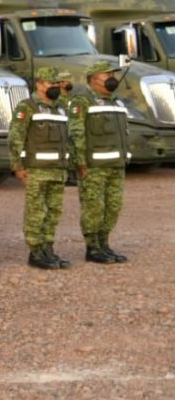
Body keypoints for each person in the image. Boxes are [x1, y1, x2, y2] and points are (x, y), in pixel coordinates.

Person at [9, 66, 72, 270]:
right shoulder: (27, 106)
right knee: (36, 212)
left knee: (53, 211)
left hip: (58, 169)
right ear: (39, 84)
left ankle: (48, 248)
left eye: (56, 84)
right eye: (50, 84)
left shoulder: (61, 107)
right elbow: (16, 137)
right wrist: (17, 165)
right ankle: (35, 252)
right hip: (36, 169)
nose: (54, 87)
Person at [69, 60, 130, 264]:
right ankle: (92, 247)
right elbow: (76, 133)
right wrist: (80, 162)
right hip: (93, 166)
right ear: (93, 79)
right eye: (107, 75)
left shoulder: (117, 102)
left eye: (113, 74)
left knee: (113, 206)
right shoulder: (82, 101)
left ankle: (104, 244)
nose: (112, 78)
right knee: (93, 207)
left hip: (116, 165)